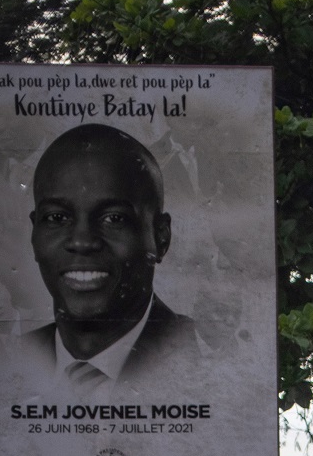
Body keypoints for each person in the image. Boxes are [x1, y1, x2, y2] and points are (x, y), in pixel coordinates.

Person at [21, 123, 201, 390]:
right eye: (57, 218)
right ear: (34, 233)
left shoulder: (210, 358)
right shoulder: (6, 362)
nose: (82, 241)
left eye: (114, 218)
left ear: (161, 237)